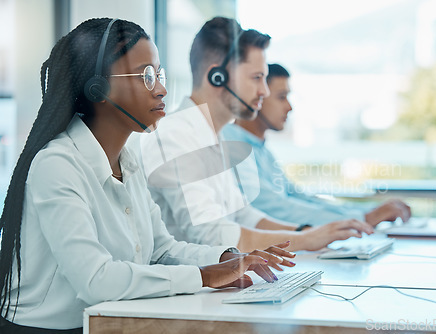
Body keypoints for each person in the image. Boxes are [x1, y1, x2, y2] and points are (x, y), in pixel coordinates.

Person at [0, 18, 294, 333]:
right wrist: (206, 275)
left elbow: (161, 249)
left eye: (159, 74)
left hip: (106, 319)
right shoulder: (57, 165)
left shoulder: (127, 161)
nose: (162, 89)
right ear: (98, 87)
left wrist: (229, 257)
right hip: (48, 329)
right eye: (147, 76)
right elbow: (96, 279)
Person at [137, 17, 375, 254]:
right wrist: (305, 240)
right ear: (217, 76)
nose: (265, 91)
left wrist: (306, 232)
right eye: (256, 78)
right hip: (190, 283)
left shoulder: (213, 136)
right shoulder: (174, 136)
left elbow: (243, 215)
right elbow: (209, 233)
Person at [221, 63, 411, 226]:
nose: (289, 107)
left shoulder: (261, 149)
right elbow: (276, 208)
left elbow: (299, 198)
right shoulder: (233, 146)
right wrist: (363, 218)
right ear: (256, 97)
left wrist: (367, 212)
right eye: (281, 97)